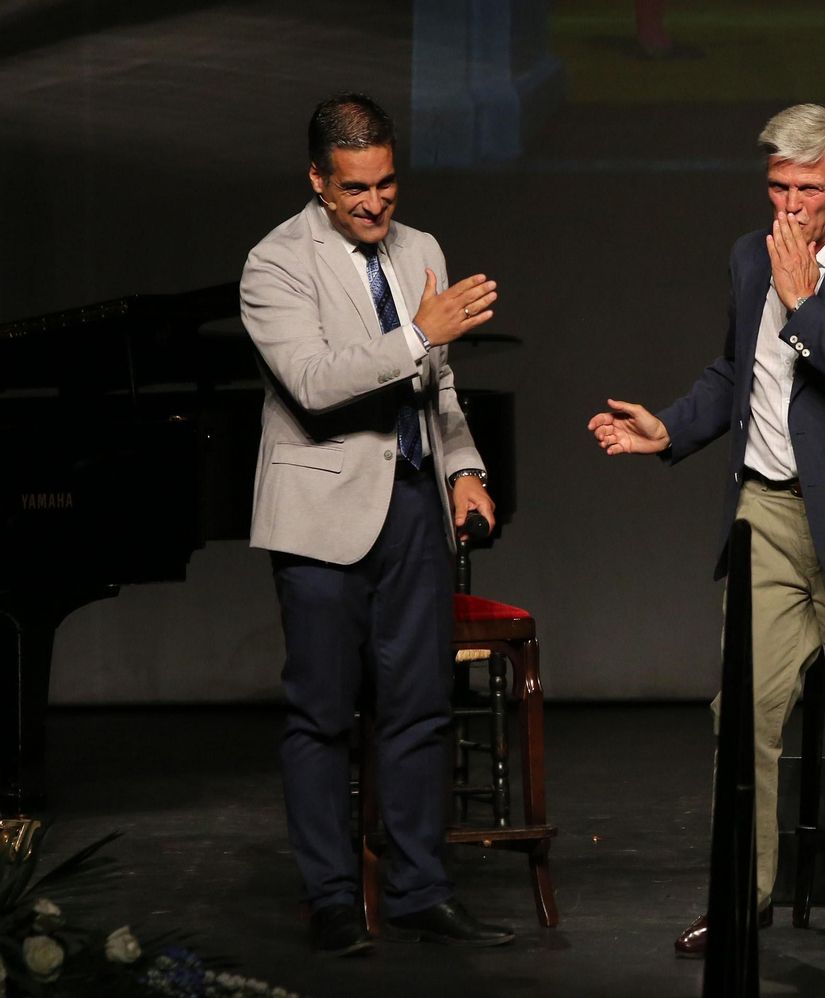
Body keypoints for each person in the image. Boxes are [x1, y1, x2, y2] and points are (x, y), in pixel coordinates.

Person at [587, 103, 825, 965]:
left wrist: (806, 302)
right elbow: (737, 371)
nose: (789, 206)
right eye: (778, 187)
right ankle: (737, 900)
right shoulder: (751, 256)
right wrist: (670, 429)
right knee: (742, 718)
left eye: (808, 190)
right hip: (768, 515)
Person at [240, 92, 513, 956]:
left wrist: (463, 469)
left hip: (412, 507)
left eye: (386, 184)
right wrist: (417, 335)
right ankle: (330, 899)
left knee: (421, 708)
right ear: (318, 181)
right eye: (355, 188)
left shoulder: (420, 249)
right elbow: (314, 383)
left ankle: (420, 892)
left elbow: (439, 385)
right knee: (322, 714)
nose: (374, 203)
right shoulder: (275, 263)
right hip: (321, 514)